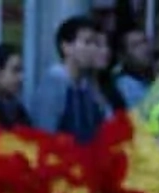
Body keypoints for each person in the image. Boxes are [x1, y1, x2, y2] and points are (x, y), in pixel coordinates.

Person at [31, 16, 113, 144]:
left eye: (95, 44)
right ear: (66, 47)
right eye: (87, 43)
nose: (93, 49)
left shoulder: (88, 85)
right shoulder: (54, 85)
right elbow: (45, 136)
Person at [112, 26, 155, 107]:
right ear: (124, 55)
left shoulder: (151, 77)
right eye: (136, 45)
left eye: (144, 42)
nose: (144, 48)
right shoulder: (122, 85)